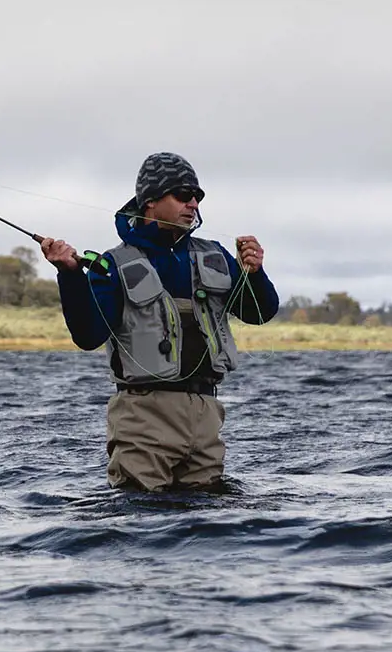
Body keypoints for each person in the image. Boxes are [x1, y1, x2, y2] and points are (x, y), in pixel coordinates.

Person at [38, 152, 279, 491]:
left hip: (207, 415)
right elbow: (88, 335)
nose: (193, 203)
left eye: (197, 196)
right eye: (182, 194)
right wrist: (71, 276)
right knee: (141, 518)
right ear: (150, 202)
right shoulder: (114, 264)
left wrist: (254, 273)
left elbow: (259, 312)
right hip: (143, 416)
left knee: (208, 522)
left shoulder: (215, 255)